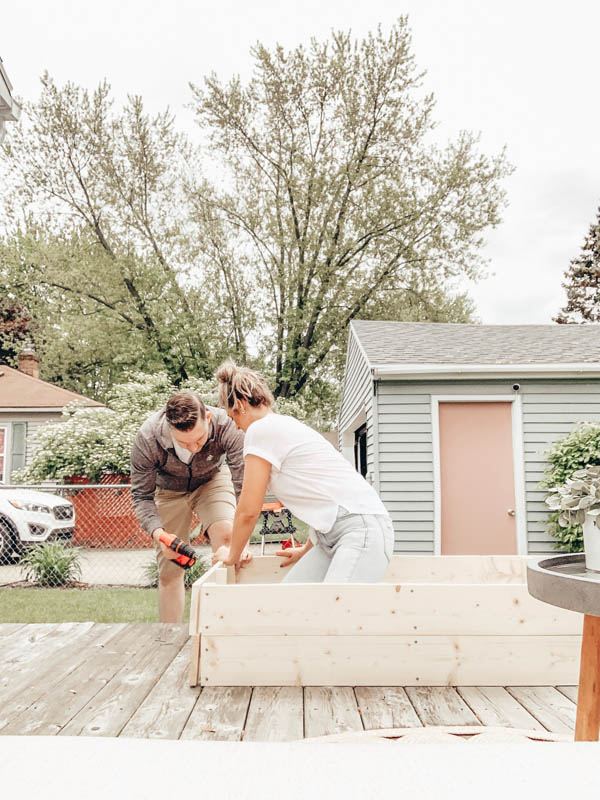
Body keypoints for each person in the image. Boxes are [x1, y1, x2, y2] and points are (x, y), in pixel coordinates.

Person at [212, 361, 394, 582]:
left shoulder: (260, 430)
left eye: (233, 418)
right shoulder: (283, 426)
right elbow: (323, 494)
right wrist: (306, 549)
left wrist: (232, 554)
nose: (236, 427)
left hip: (360, 529)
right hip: (331, 536)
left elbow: (249, 509)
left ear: (240, 404)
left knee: (335, 611)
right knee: (291, 607)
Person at [130, 391, 249, 622]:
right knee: (170, 569)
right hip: (168, 491)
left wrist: (242, 538)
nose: (194, 448)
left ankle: (230, 628)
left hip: (212, 480)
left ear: (208, 417)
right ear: (168, 426)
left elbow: (243, 486)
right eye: (184, 443)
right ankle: (170, 636)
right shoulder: (147, 438)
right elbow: (141, 497)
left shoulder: (227, 426)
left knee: (227, 540)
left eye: (200, 439)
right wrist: (159, 535)